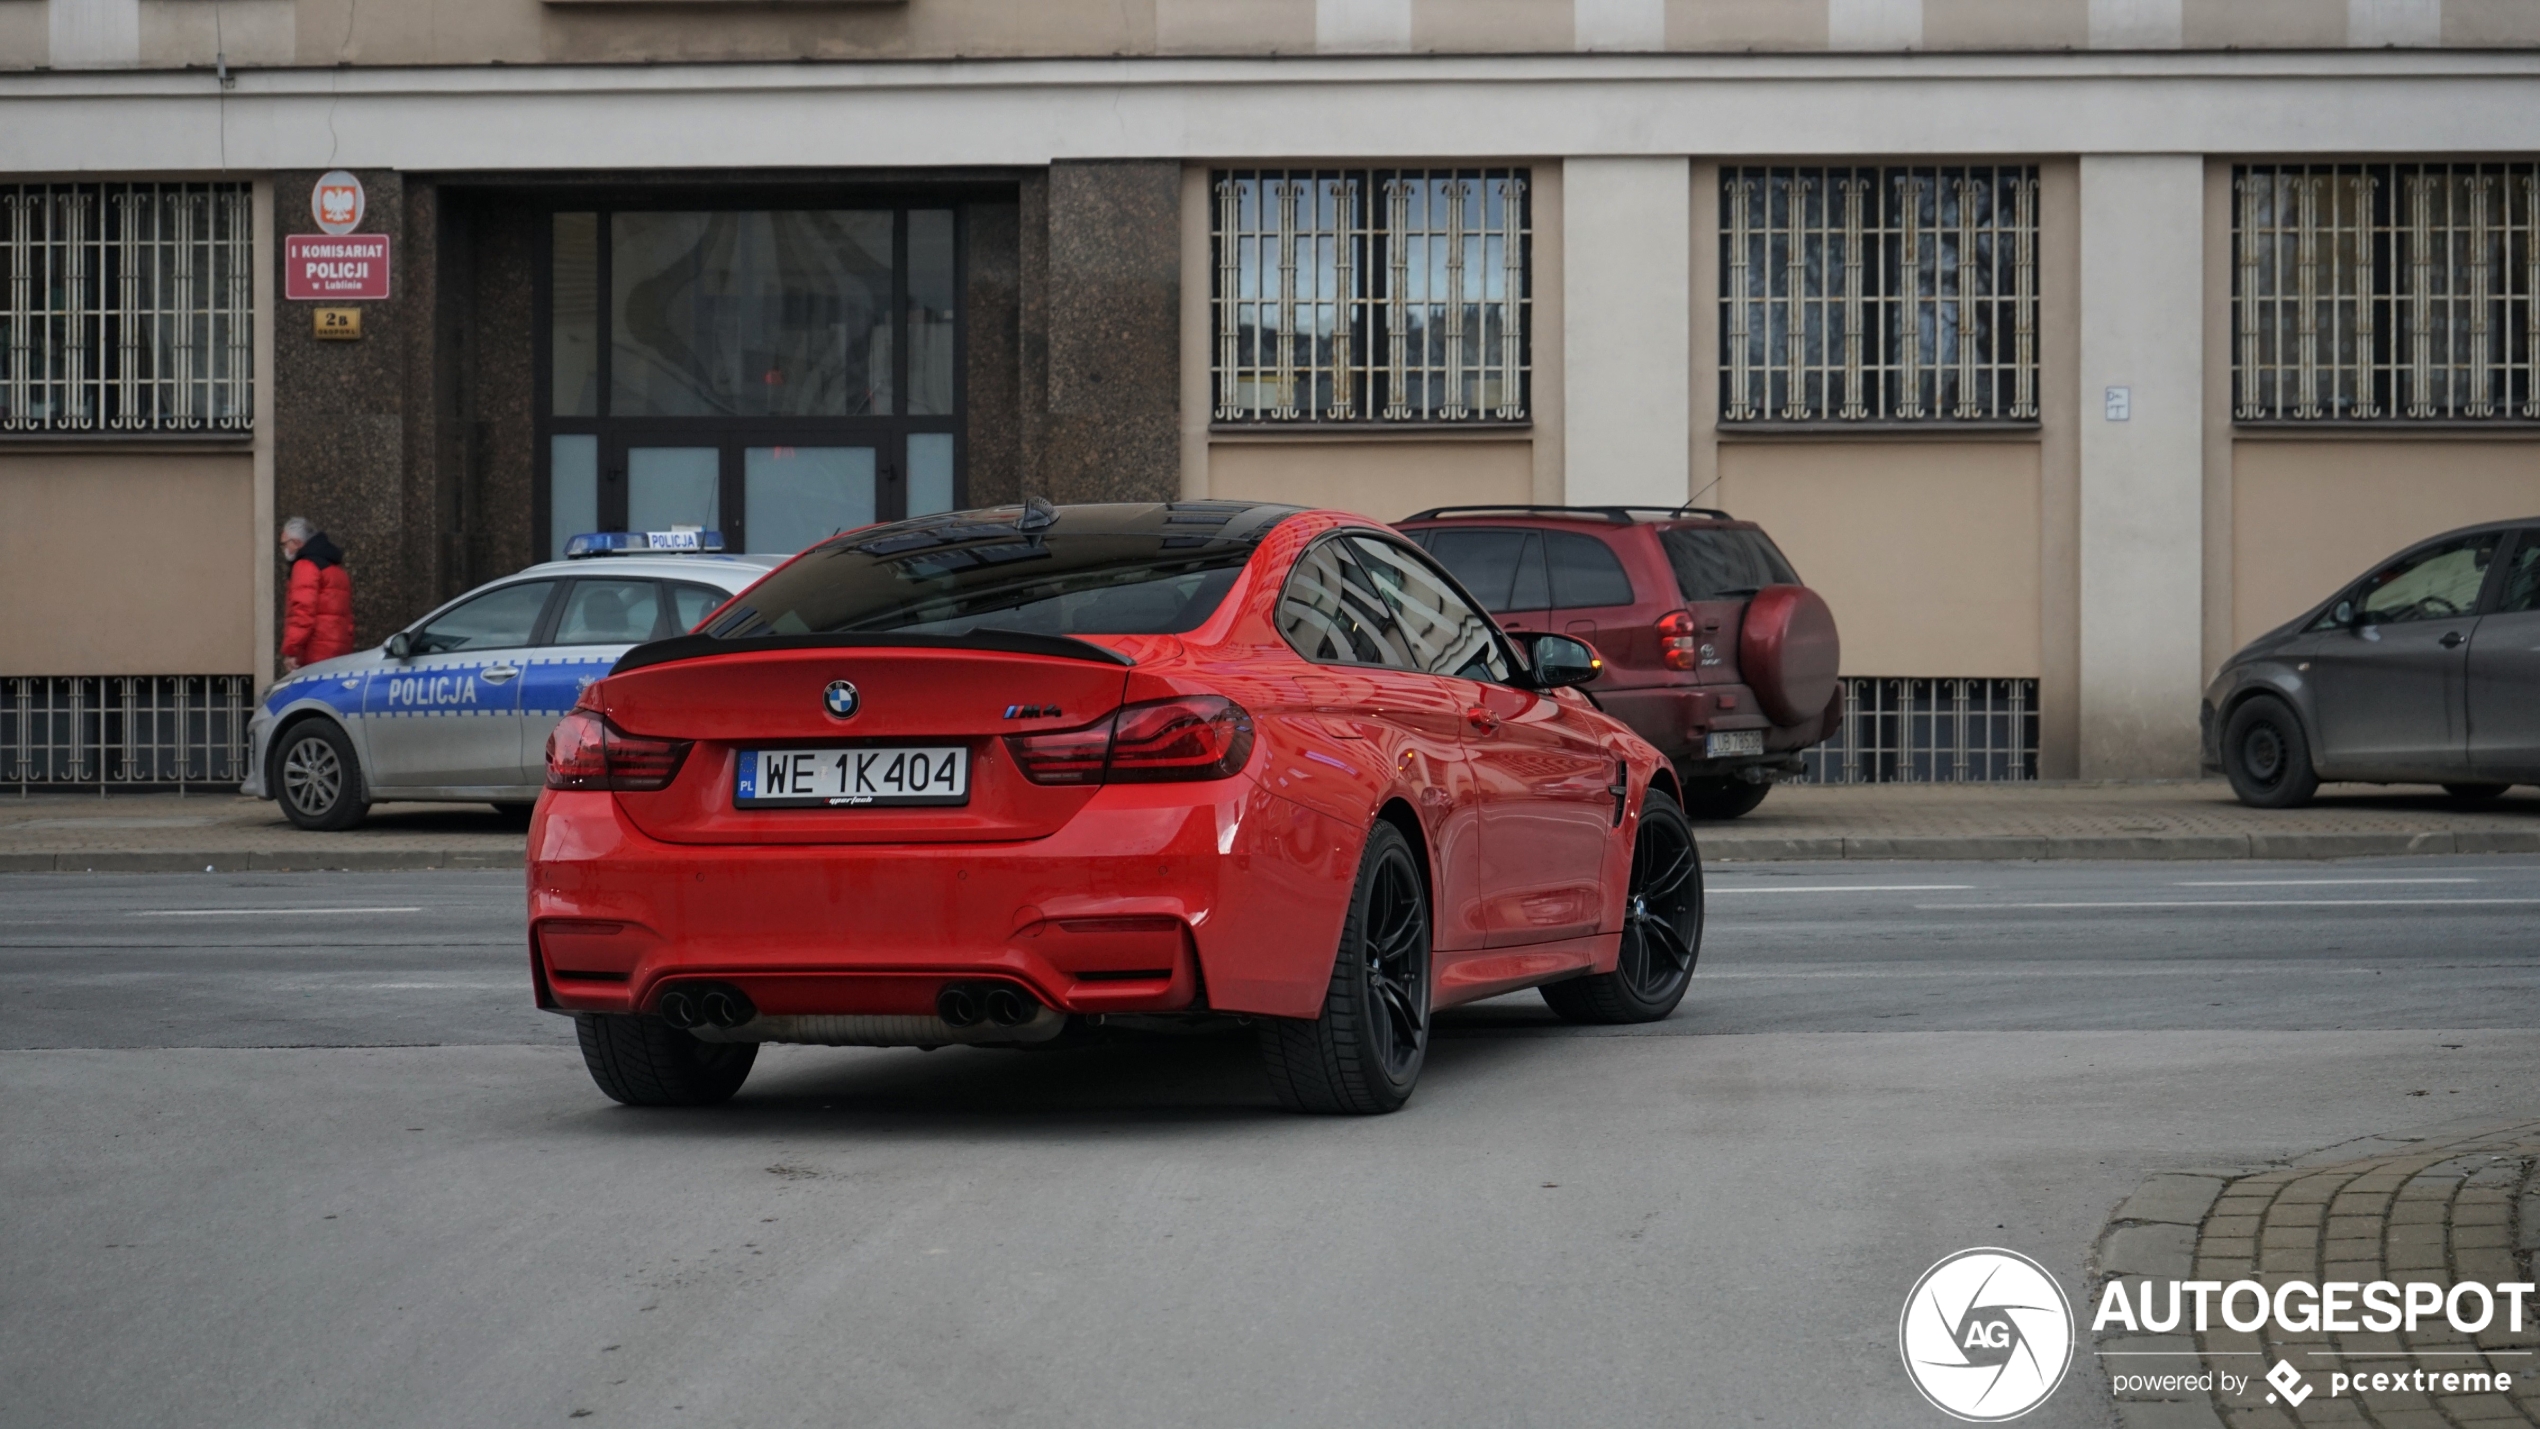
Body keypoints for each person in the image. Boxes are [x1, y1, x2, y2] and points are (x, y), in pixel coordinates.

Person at [280, 517, 356, 672]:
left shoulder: (305, 566)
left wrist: (292, 650)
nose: (283, 549)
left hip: (315, 653)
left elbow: (302, 612)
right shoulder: (336, 570)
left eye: (284, 544)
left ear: (296, 542)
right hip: (339, 651)